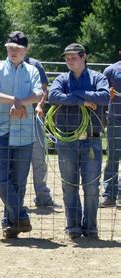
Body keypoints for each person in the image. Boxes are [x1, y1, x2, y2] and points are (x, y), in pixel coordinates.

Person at [0, 31, 43, 239]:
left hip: (25, 133)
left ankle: (11, 224)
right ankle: (21, 216)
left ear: (26, 50)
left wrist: (20, 102)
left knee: (18, 182)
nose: (13, 51)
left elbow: (39, 94)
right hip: (0, 131)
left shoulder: (32, 71)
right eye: (10, 47)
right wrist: (14, 101)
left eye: (17, 48)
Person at [48, 43, 110, 239]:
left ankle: (90, 227)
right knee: (69, 184)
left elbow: (104, 97)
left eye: (73, 57)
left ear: (84, 57)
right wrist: (81, 101)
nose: (69, 60)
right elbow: (53, 96)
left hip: (91, 139)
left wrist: (74, 95)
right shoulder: (61, 79)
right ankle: (73, 227)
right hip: (67, 140)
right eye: (67, 57)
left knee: (91, 185)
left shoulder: (98, 77)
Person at [24, 52, 57, 208]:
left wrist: (39, 105)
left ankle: (43, 196)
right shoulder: (2, 68)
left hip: (33, 117)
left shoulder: (36, 65)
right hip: (11, 119)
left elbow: (44, 90)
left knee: (39, 158)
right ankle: (15, 198)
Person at [100, 51, 121, 208]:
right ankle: (109, 194)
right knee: (113, 157)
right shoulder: (110, 70)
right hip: (115, 119)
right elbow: (101, 93)